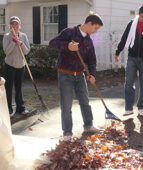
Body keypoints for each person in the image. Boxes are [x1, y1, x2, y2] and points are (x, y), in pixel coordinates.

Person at [49, 12, 103, 140]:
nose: (95, 31)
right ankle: (67, 132)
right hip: (65, 74)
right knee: (66, 105)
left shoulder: (88, 40)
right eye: (95, 28)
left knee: (85, 102)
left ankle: (88, 125)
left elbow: (92, 59)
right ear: (89, 23)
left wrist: (92, 74)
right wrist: (67, 46)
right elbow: (53, 43)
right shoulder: (69, 32)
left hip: (80, 76)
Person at [114, 5, 143, 116]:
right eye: (141, 16)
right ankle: (128, 108)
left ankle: (141, 106)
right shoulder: (131, 24)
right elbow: (124, 38)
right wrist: (117, 51)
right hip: (132, 58)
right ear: (138, 13)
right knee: (129, 82)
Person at [3, 16, 30, 117]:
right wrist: (13, 42)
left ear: (20, 25)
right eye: (12, 24)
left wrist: (20, 43)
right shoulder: (6, 36)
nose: (15, 25)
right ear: (10, 26)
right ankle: (8, 109)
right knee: (8, 87)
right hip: (9, 65)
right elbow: (7, 51)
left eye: (16, 23)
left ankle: (20, 108)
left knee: (19, 87)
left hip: (20, 65)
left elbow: (27, 51)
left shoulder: (24, 36)